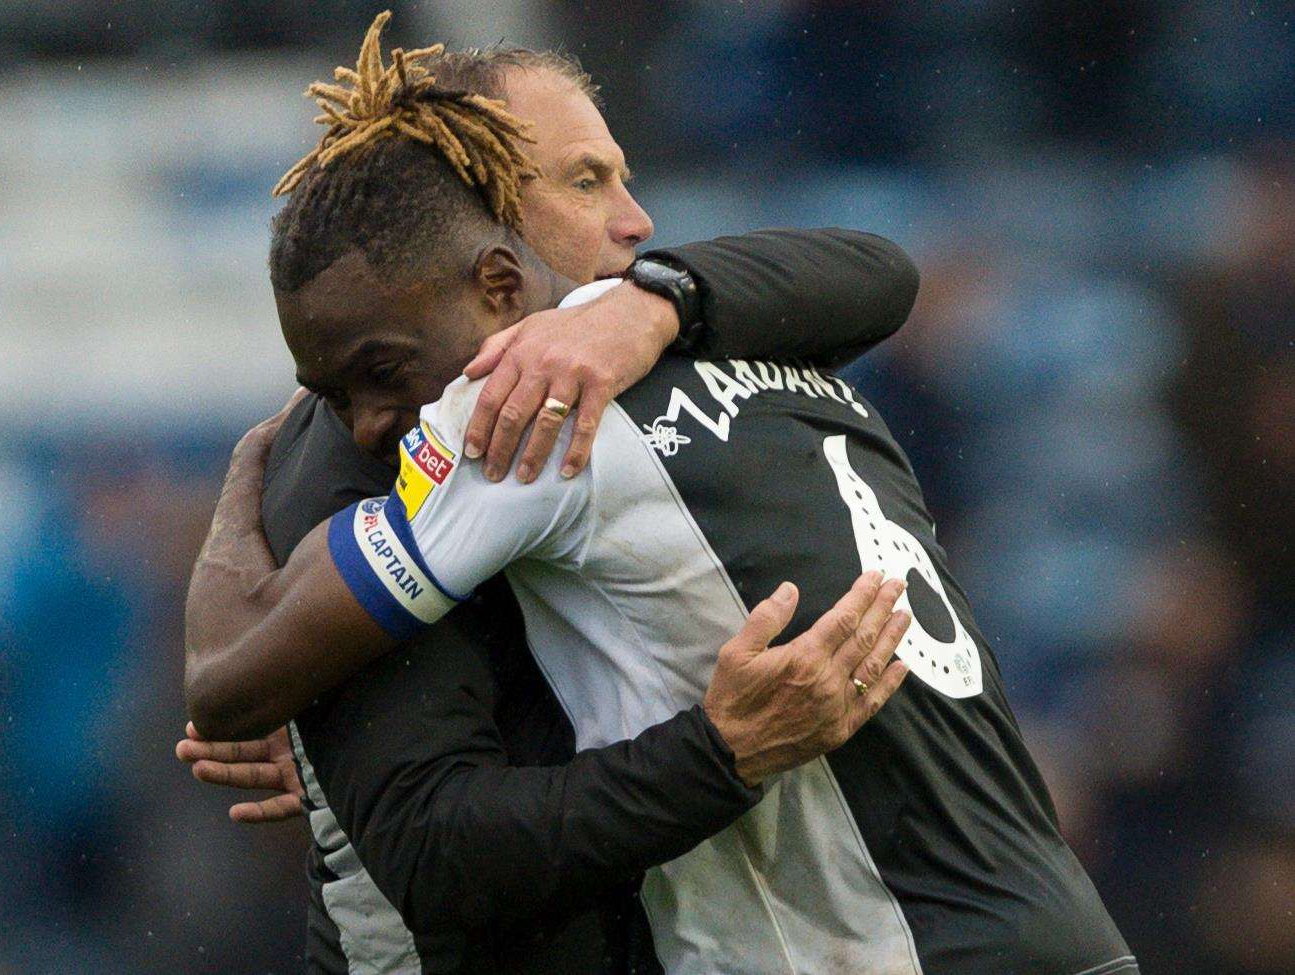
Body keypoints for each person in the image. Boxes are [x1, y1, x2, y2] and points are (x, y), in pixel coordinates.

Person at [185, 14, 1137, 975]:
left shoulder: (648, 340)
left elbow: (883, 274)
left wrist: (658, 300)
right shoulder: (474, 412)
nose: (637, 220)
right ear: (487, 231)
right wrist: (714, 753)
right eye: (585, 181)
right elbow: (383, 808)